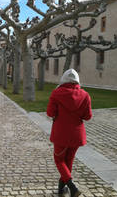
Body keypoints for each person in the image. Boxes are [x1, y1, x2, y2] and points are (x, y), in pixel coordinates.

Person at [47, 69, 92, 197]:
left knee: (59, 160)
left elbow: (50, 113)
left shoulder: (56, 93)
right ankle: (62, 190)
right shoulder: (85, 95)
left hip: (61, 133)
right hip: (76, 134)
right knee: (68, 161)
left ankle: (72, 187)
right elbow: (88, 116)